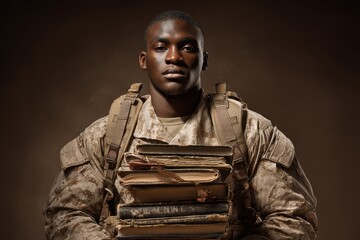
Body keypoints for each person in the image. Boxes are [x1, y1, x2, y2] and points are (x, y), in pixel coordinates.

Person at [43, 10, 318, 239]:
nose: (174, 57)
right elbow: (65, 215)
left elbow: (294, 218)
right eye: (161, 47)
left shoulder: (248, 131)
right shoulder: (107, 136)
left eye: (187, 47)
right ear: (144, 60)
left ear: (204, 59)